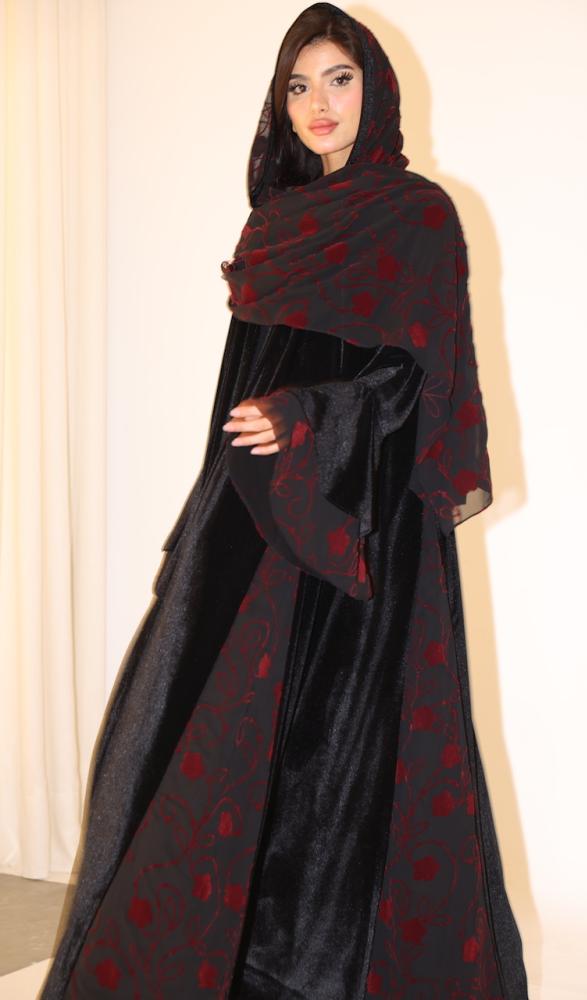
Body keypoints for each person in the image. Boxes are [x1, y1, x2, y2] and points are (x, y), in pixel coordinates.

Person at [39, 4, 530, 998]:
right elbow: (238, 387)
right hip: (257, 515)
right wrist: (216, 498)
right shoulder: (272, 223)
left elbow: (419, 380)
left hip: (366, 525)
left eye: (338, 79)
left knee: (345, 744)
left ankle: (329, 968)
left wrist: (307, 415)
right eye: (297, 85)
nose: (318, 103)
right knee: (215, 731)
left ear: (375, 89)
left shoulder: (419, 214)